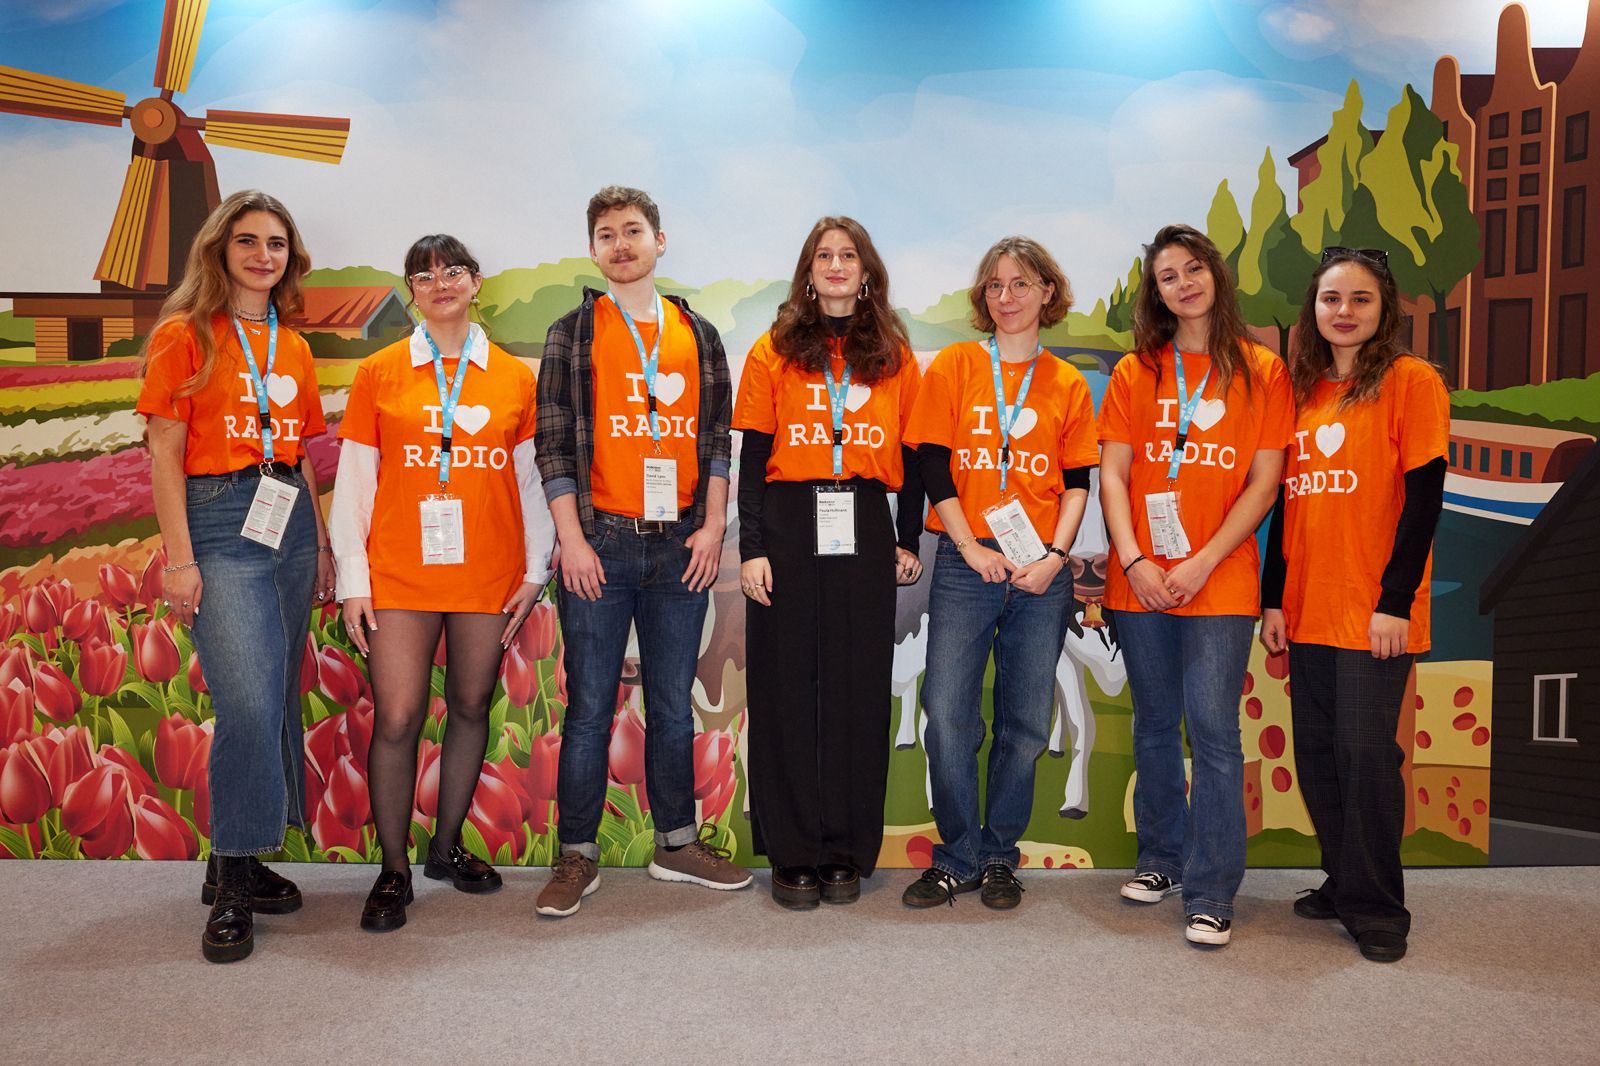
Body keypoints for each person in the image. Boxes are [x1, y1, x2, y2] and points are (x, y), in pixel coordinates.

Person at [533, 185, 751, 916]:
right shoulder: (573, 332)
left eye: (633, 230)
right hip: (599, 546)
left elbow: (718, 441)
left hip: (680, 549)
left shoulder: (699, 333)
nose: (621, 244)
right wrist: (571, 541)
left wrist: (712, 528)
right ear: (593, 250)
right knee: (589, 708)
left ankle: (676, 845)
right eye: (606, 234)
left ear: (660, 241)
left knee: (671, 706)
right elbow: (554, 442)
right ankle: (577, 855)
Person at [330, 235, 554, 931]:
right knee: (397, 717)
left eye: (452, 270)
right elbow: (355, 482)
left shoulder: (514, 378)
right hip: (399, 572)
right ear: (411, 293)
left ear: (475, 282)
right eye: (424, 276)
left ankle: (446, 846)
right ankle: (393, 869)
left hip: (488, 571)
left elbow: (532, 483)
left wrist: (535, 569)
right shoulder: (381, 372)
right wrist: (353, 580)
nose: (440, 283)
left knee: (470, 703)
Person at [137, 189, 334, 963]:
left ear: (291, 257)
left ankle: (234, 861)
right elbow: (163, 452)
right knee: (248, 700)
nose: (262, 255)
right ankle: (233, 884)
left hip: (289, 520)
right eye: (248, 240)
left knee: (277, 690)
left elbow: (301, 453)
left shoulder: (294, 346)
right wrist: (180, 558)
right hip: (217, 517)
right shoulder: (184, 333)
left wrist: (322, 545)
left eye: (276, 243)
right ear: (220, 248)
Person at [1098, 223, 1292, 946]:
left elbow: (1265, 482)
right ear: (1156, 293)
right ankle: (1161, 859)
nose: (1183, 284)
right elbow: (1113, 473)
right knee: (1153, 725)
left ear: (1216, 273)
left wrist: (1203, 560)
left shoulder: (1263, 371)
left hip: (1220, 578)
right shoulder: (1135, 371)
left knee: (1212, 731)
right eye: (1167, 276)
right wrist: (1135, 561)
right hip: (1140, 581)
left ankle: (1211, 890)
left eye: (1192, 268)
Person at [1260, 246, 1448, 964]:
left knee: (1365, 756)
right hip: (1307, 608)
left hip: (1374, 613)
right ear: (1314, 307)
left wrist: (1395, 601)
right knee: (1318, 756)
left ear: (1385, 308)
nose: (1344, 311)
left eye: (1360, 299)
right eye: (1331, 298)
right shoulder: (1303, 393)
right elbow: (1285, 506)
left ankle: (1377, 907)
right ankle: (1344, 882)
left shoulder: (1410, 382)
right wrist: (1273, 600)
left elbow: (1424, 501)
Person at [900, 236, 1097, 911]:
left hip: (1042, 568)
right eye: (994, 285)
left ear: (1048, 292)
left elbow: (1078, 482)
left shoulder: (1067, 383)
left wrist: (1055, 558)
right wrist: (970, 547)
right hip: (967, 561)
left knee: (1027, 722)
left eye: (1020, 284)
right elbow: (932, 463)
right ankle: (957, 856)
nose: (1006, 297)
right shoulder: (957, 365)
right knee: (947, 713)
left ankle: (997, 856)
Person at [734, 216, 925, 909]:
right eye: (824, 256)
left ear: (866, 271)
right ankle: (793, 852)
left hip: (864, 522)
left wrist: (907, 538)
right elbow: (754, 456)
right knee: (786, 688)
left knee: (857, 689)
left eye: (849, 255)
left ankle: (845, 848)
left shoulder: (894, 355)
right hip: (789, 521)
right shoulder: (774, 350)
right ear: (808, 272)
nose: (837, 265)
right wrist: (752, 547)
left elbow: (915, 456)